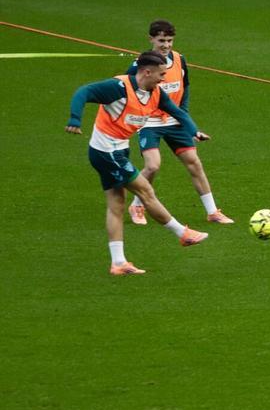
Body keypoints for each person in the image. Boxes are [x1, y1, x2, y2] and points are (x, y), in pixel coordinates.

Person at [66, 51, 210, 275]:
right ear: (146, 72)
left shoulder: (155, 93)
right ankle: (182, 233)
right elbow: (84, 92)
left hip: (119, 149)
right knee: (145, 190)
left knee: (116, 205)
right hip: (106, 153)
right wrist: (75, 118)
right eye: (161, 74)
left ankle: (118, 263)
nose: (164, 79)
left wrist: (194, 131)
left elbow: (178, 113)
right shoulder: (118, 88)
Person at [126, 20, 233, 227]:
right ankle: (137, 205)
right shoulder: (141, 64)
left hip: (174, 120)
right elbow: (128, 91)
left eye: (169, 40)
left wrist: (185, 118)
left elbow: (185, 88)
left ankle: (212, 212)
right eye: (161, 40)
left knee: (194, 162)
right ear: (151, 39)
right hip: (149, 121)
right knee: (152, 165)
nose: (166, 45)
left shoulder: (179, 60)